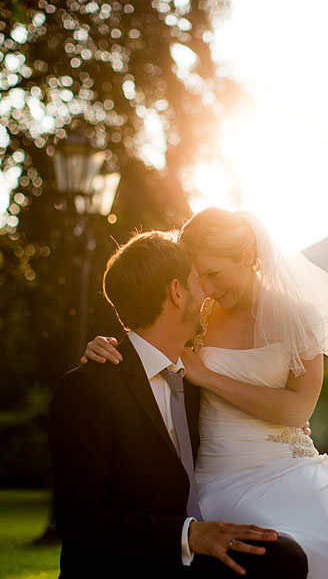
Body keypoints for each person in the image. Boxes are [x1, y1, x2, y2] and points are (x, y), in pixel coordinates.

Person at [83, 208, 328, 578]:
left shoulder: (299, 317)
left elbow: (297, 410)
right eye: (199, 277)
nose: (207, 289)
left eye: (214, 274)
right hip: (219, 476)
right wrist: (106, 345)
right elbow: (149, 334)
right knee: (272, 547)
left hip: (288, 467)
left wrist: (208, 377)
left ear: (246, 256)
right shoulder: (199, 317)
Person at [49, 230, 308, 578]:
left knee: (284, 557)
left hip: (187, 557)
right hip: (128, 565)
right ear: (176, 291)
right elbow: (78, 522)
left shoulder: (193, 379)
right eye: (198, 281)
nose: (209, 293)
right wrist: (187, 535)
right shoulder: (86, 389)